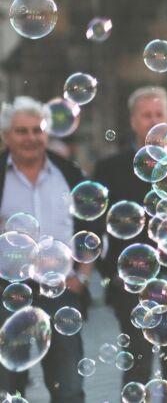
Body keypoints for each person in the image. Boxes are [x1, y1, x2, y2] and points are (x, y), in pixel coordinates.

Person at [92, 86, 167, 399]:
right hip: (131, 281)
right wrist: (112, 272)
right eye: (146, 115)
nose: (153, 120)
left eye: (159, 114)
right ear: (134, 121)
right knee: (136, 362)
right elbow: (97, 225)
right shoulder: (110, 168)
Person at [0, 97, 94, 402]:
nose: (30, 138)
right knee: (6, 384)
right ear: (6, 136)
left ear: (47, 134)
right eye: (21, 131)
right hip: (5, 292)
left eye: (36, 131)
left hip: (61, 290)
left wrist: (82, 277)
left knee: (67, 386)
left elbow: (92, 229)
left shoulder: (68, 173)